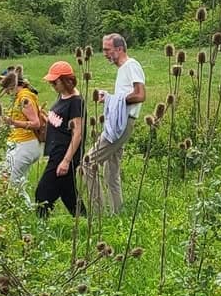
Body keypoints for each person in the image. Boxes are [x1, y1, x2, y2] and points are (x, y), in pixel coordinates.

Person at [82, 33, 145, 217]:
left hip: (123, 124)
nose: (105, 54)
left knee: (88, 163)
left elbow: (140, 95)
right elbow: (125, 97)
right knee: (111, 172)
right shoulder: (122, 69)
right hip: (120, 123)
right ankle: (118, 213)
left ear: (119, 49)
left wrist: (114, 99)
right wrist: (109, 98)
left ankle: (98, 213)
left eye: (107, 50)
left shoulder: (131, 65)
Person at [36, 61, 85, 217]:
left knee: (43, 194)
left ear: (66, 80)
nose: (52, 85)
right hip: (55, 150)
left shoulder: (76, 102)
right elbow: (59, 123)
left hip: (63, 154)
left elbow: (78, 133)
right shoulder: (62, 96)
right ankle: (83, 220)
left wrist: (66, 161)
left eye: (55, 81)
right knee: (69, 194)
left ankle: (41, 226)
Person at [2, 69, 43, 189]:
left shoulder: (24, 98)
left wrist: (13, 122)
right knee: (14, 184)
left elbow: (36, 123)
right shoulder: (18, 97)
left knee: (12, 185)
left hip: (24, 144)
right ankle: (27, 208)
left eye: (5, 85)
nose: (4, 90)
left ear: (12, 83)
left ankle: (27, 208)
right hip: (19, 144)